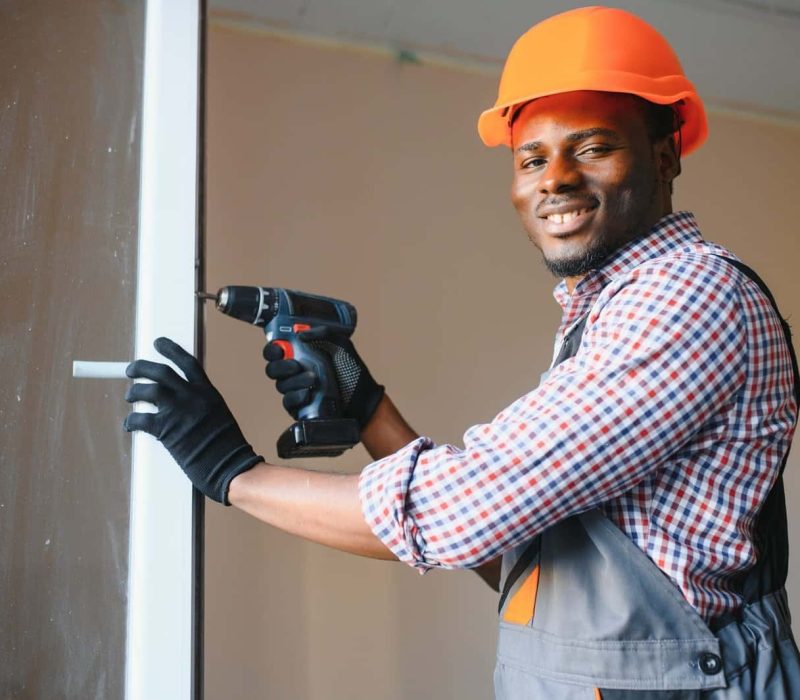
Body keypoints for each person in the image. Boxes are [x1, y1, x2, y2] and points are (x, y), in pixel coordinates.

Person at [122, 6, 800, 698]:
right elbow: (522, 562)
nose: (554, 178)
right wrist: (366, 406)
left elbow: (464, 510)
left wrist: (234, 473)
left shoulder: (687, 297)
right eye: (531, 157)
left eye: (592, 147)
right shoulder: (607, 314)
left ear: (665, 155)